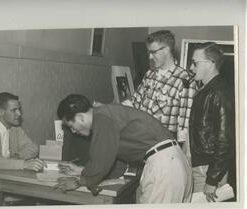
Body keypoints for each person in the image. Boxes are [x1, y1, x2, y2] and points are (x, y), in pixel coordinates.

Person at [55, 94, 193, 203]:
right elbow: (115, 165)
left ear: (80, 117)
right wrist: (82, 171)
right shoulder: (107, 114)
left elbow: (101, 161)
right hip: (174, 161)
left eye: (71, 126)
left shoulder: (101, 119)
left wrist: (79, 181)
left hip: (164, 166)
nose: (73, 132)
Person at [123, 30, 197, 153]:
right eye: (149, 52)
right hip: (140, 140)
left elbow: (184, 125)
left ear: (167, 49)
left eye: (153, 52)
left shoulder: (185, 81)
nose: (150, 57)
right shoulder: (149, 74)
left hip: (164, 146)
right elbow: (134, 104)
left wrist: (181, 155)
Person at [189, 42, 234, 202]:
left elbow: (225, 141)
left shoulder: (220, 92)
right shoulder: (207, 90)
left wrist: (212, 179)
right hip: (203, 166)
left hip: (208, 169)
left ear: (210, 64)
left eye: (195, 63)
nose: (191, 68)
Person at [0, 92, 46, 171]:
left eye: (19, 109)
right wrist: (24, 164)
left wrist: (17, 156)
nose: (19, 113)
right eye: (14, 110)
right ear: (0, 112)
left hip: (6, 176)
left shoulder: (15, 128)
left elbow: (33, 148)